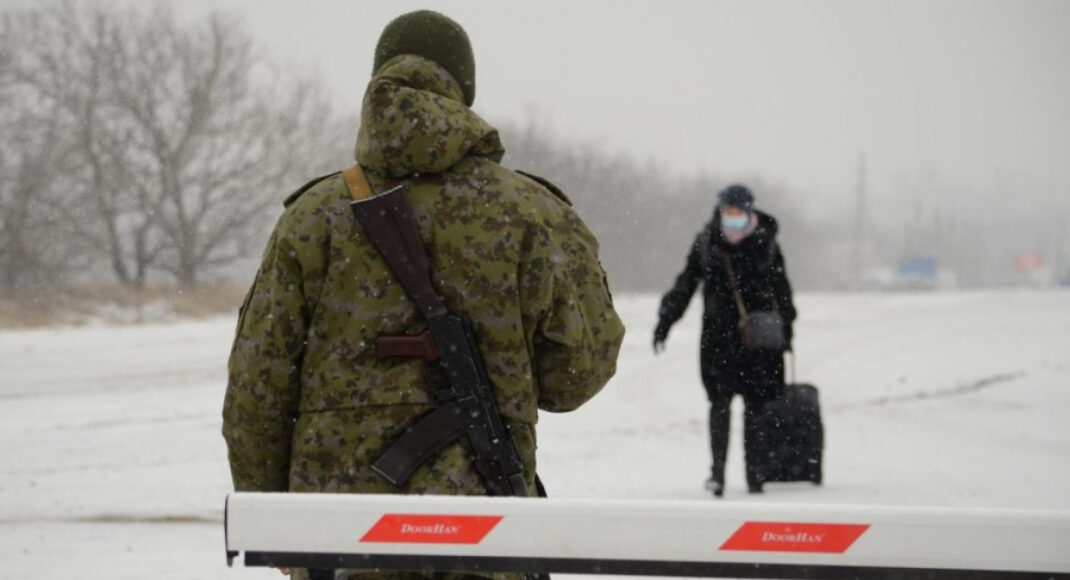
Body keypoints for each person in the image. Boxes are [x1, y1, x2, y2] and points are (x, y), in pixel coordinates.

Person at [222, 10, 625, 580]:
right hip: (486, 540)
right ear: (465, 89)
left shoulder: (312, 219)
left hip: (339, 545)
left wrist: (283, 532)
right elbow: (576, 376)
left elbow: (256, 393)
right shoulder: (532, 212)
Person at [653, 184, 796, 496]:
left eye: (737, 212)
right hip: (718, 340)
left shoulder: (767, 243)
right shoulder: (706, 242)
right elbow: (686, 283)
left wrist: (787, 328)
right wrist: (666, 319)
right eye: (727, 212)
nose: (732, 219)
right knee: (719, 406)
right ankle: (717, 473)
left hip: (757, 341)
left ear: (749, 212)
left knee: (756, 409)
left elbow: (782, 290)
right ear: (720, 212)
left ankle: (754, 474)